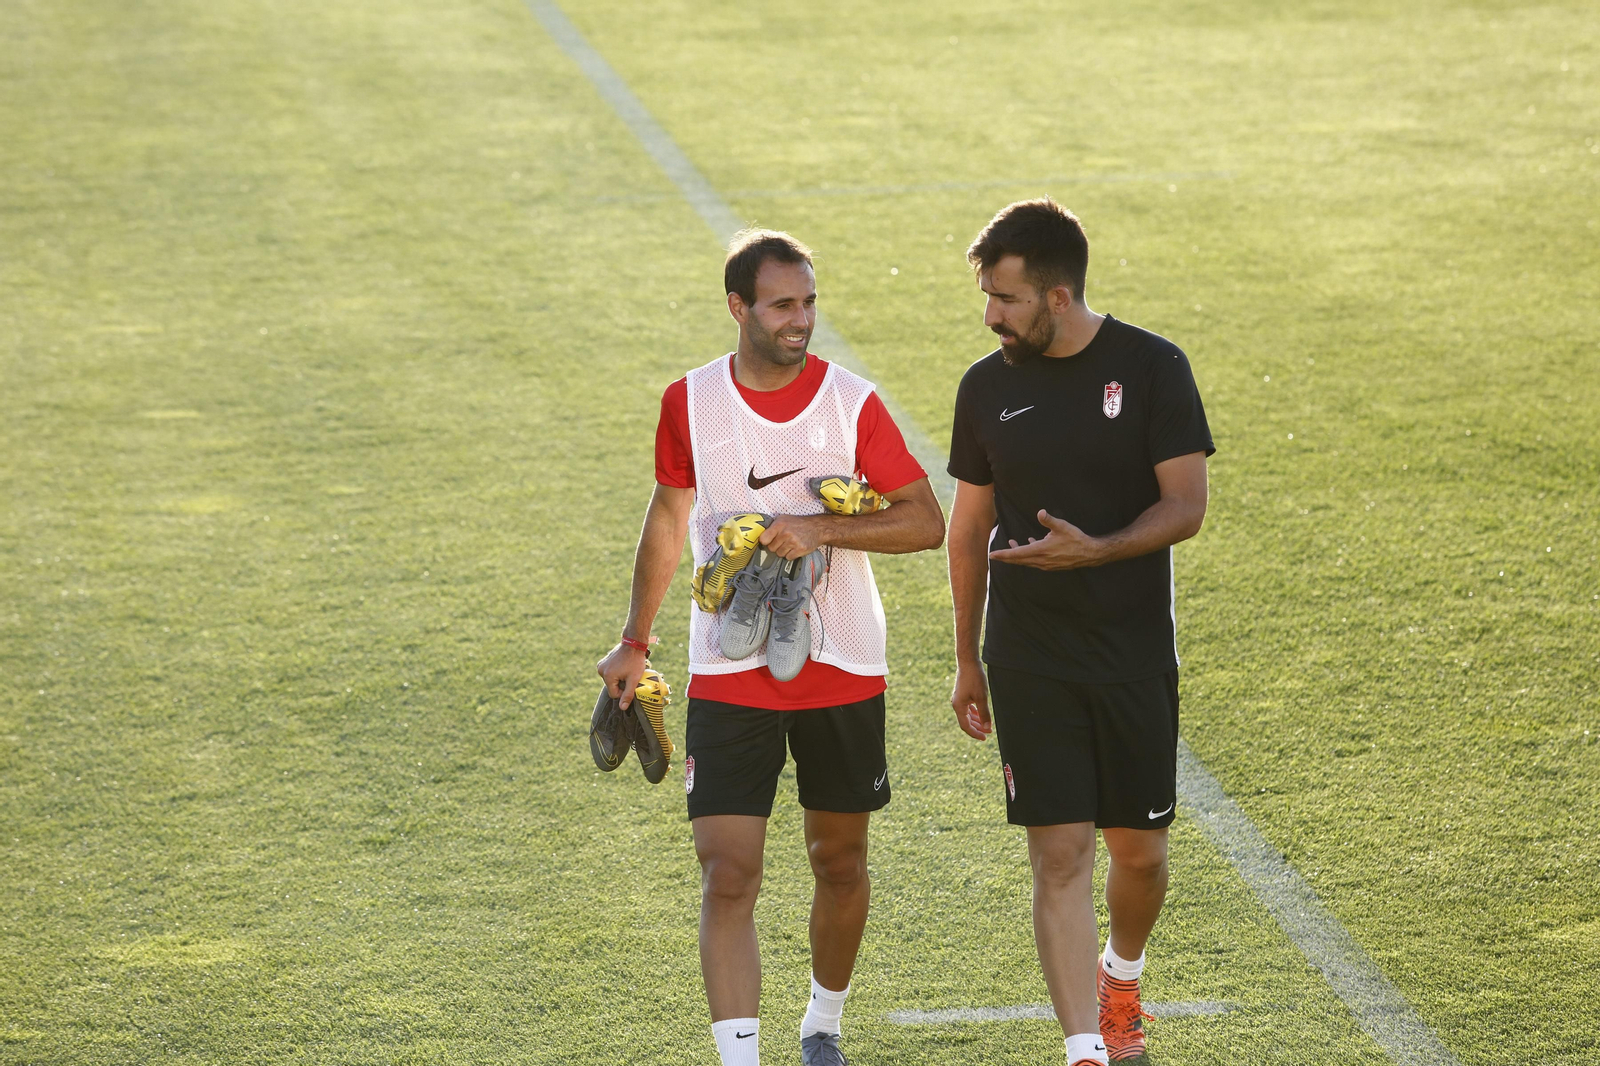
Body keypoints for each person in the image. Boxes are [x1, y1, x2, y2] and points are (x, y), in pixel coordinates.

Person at [596, 229, 944, 1066]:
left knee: (840, 860)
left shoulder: (852, 402)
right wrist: (633, 642)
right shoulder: (690, 401)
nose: (802, 319)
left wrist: (816, 528)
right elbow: (670, 518)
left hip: (844, 662)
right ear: (738, 307)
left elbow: (926, 519)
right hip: (729, 664)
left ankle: (822, 1024)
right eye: (784, 304)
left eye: (810, 302)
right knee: (729, 872)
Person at [945, 198, 1214, 1066]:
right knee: (1057, 857)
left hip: (1132, 652)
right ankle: (1086, 1051)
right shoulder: (985, 387)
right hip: (1028, 655)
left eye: (1005, 299)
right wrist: (965, 657)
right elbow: (968, 526)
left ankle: (1121, 975)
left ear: (1057, 297)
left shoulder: (1152, 367)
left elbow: (1186, 506)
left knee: (1139, 854)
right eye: (987, 296)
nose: (990, 316)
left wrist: (1097, 551)